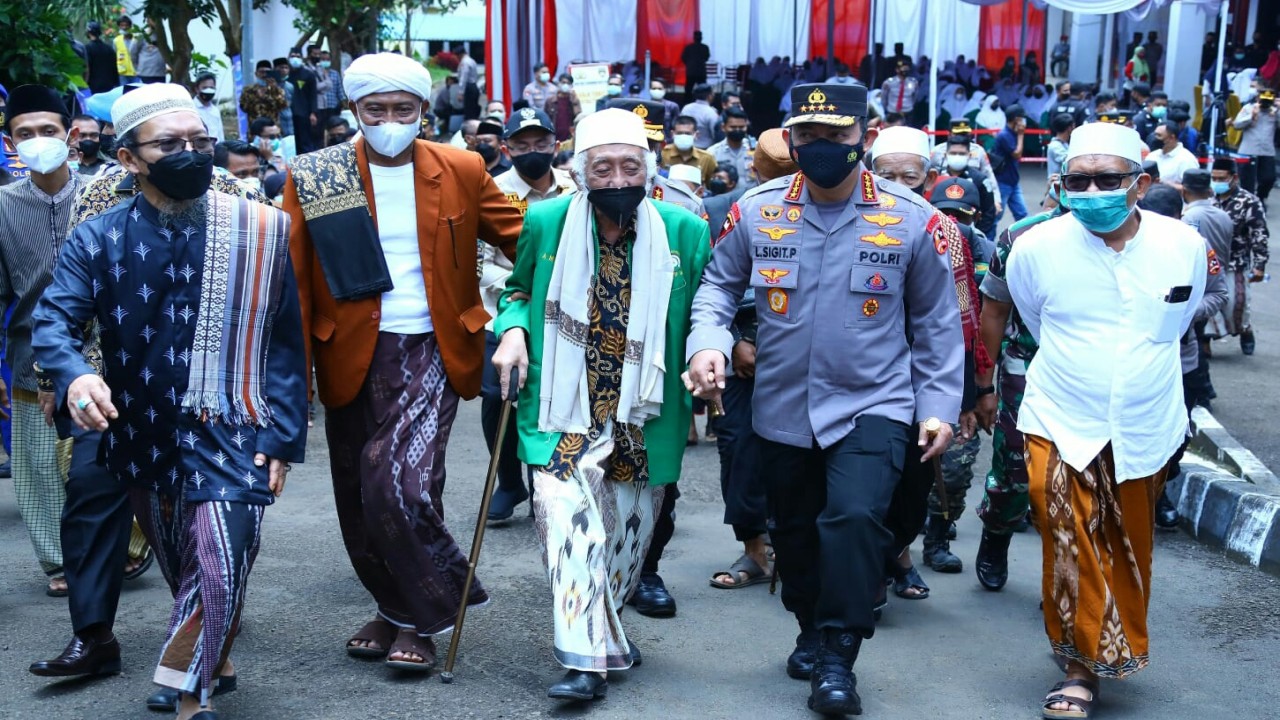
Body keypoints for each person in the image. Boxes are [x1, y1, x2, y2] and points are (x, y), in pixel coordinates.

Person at [32, 81, 307, 720]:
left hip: (236, 424)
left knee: (223, 550)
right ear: (128, 158)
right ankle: (214, 653)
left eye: (199, 141)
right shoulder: (96, 239)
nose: (190, 153)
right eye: (170, 144)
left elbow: (286, 345)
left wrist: (282, 436)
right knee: (186, 557)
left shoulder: (260, 229)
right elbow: (54, 322)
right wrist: (75, 375)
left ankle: (188, 692)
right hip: (142, 429)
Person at [686, 82, 962, 717]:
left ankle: (839, 655)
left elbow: (938, 323)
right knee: (798, 534)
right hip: (780, 406)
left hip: (875, 402)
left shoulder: (914, 218)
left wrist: (940, 406)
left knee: (855, 520)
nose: (820, 147)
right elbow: (718, 288)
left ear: (861, 138)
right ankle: (810, 625)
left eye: (835, 137)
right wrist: (711, 343)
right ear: (790, 141)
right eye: (807, 136)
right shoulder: (756, 211)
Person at [282, 52, 523, 673]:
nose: (390, 119)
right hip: (347, 349)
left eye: (403, 109)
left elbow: (522, 239)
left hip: (433, 345)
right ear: (355, 111)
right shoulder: (317, 174)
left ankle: (430, 611)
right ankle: (394, 609)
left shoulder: (463, 166)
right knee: (358, 495)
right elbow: (295, 277)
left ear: (423, 110)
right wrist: (294, 372)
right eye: (375, 109)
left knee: (399, 484)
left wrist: (526, 307)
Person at [490, 107, 710, 702]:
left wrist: (706, 355)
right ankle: (586, 661)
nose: (617, 179)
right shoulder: (547, 220)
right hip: (562, 410)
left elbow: (701, 315)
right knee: (569, 530)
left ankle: (604, 627)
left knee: (625, 542)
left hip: (645, 413)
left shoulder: (685, 231)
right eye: (603, 168)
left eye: (629, 166)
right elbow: (517, 292)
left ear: (649, 170)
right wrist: (513, 331)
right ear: (581, 172)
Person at [1005, 121, 1206, 719]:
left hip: (1148, 420)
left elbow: (1180, 320)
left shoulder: (1182, 245)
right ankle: (1079, 666)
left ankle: (1095, 644)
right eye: (1077, 181)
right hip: (1060, 412)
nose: (1092, 191)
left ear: (1140, 184)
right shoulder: (1035, 246)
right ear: (1060, 185)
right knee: (1063, 526)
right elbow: (1035, 321)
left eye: (1107, 180)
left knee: (1125, 544)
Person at [867, 127, 989, 582]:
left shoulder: (946, 233)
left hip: (922, 379)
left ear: (929, 177)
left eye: (910, 178)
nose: (898, 189)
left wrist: (967, 398)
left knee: (915, 479)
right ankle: (867, 569)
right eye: (886, 177)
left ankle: (899, 553)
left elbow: (962, 322)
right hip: (863, 375)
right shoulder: (846, 222)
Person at [704, 128, 794, 591]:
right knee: (738, 446)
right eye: (774, 175)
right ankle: (754, 548)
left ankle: (798, 547)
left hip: (804, 349)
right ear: (753, 170)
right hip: (738, 346)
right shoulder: (720, 210)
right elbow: (708, 286)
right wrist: (733, 340)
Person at [0, 85, 81, 598]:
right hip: (29, 357)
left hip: (105, 356)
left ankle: (123, 550)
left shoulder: (105, 192)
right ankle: (58, 562)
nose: (36, 141)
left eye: (47, 131)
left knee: (105, 459)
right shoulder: (2, 205)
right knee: (36, 464)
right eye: (24, 134)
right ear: (9, 143)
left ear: (70, 136)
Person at [972, 176, 1068, 591]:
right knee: (1015, 469)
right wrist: (985, 385)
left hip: (1094, 376)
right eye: (1079, 181)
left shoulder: (1139, 237)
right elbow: (993, 313)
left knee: (1077, 478)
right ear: (1058, 185)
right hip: (1025, 367)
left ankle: (1065, 578)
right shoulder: (1022, 236)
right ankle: (996, 535)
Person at [481, 108, 575, 523]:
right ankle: (508, 482)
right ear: (506, 149)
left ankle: (547, 482)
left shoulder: (577, 188)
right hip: (504, 307)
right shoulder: (492, 190)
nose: (532, 152)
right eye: (521, 145)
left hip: (567, 311)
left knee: (558, 398)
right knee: (495, 397)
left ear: (556, 145)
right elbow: (479, 260)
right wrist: (524, 290)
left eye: (541, 144)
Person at [1209, 156, 1269, 356]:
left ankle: (1245, 329)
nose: (1217, 183)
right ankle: (1205, 342)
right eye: (1214, 178)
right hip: (1209, 261)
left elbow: (1259, 235)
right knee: (1207, 306)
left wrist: (1260, 264)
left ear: (1234, 177)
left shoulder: (1249, 201)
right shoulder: (1208, 198)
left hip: (1237, 261)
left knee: (1237, 304)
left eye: (1221, 178)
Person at [939, 134, 999, 239]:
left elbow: (989, 212)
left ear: (969, 155)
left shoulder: (980, 180)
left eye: (962, 153)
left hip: (973, 235)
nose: (957, 156)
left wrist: (976, 236)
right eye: (953, 153)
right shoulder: (937, 178)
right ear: (945, 154)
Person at [1232, 88, 1276, 201]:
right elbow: (1236, 125)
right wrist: (1251, 116)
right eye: (1263, 100)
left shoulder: (1275, 112)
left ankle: (1261, 198)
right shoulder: (1248, 108)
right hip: (1248, 150)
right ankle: (1249, 203)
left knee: (1269, 178)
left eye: (1268, 101)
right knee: (1247, 182)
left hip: (1267, 151)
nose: (1265, 103)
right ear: (1258, 98)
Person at [992, 104, 1028, 222]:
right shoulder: (1004, 135)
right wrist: (1021, 135)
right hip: (1003, 181)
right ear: (1016, 119)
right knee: (996, 217)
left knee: (1022, 214)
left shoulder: (1013, 134)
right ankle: (988, 240)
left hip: (1013, 181)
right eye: (1021, 118)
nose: (1023, 121)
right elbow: (1017, 154)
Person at [707, 107, 756, 189]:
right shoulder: (713, 152)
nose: (737, 130)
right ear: (723, 127)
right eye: (733, 127)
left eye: (741, 127)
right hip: (724, 199)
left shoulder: (757, 150)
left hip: (751, 199)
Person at [662, 115, 717, 184]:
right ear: (673, 134)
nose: (683, 136)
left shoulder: (707, 158)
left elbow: (710, 185)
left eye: (688, 133)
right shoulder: (662, 153)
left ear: (696, 135)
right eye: (680, 133)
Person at [285, 50, 319, 153]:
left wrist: (313, 112)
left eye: (298, 56)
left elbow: (313, 95)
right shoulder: (286, 74)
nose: (295, 58)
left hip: (303, 112)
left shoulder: (308, 74)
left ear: (302, 58)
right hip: (287, 113)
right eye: (293, 56)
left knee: (304, 140)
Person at [1146, 123, 1199, 189]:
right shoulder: (1152, 155)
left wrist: (1164, 184)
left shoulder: (1187, 160)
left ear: (1171, 138)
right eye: (1155, 134)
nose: (1154, 138)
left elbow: (1192, 190)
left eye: (1159, 135)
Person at [239, 61, 288, 128]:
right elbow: (243, 108)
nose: (264, 75)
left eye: (267, 72)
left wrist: (274, 89)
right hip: (254, 128)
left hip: (272, 128)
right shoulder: (248, 90)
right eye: (261, 72)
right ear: (256, 74)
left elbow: (282, 106)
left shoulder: (278, 90)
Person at [680, 84, 720, 150]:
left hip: (687, 146)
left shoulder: (686, 108)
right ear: (709, 96)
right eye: (713, 93)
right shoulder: (711, 112)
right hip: (706, 149)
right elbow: (715, 134)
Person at [84, 23, 119, 95]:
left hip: (94, 85)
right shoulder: (108, 48)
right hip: (109, 84)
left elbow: (87, 68)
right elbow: (114, 67)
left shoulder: (87, 48)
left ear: (89, 33)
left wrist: (84, 83)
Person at [546, 73, 581, 142]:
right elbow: (546, 120)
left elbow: (578, 118)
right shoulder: (550, 101)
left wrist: (575, 102)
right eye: (563, 82)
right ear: (559, 84)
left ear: (571, 86)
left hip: (569, 138)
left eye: (568, 83)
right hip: (554, 137)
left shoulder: (574, 100)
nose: (565, 85)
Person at [190, 72, 223, 142]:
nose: (208, 91)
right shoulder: (191, 108)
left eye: (211, 88)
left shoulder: (215, 110)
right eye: (205, 88)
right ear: (197, 89)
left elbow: (220, 134)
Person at [455, 45, 481, 120]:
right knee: (473, 109)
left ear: (460, 54)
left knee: (469, 111)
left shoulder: (465, 62)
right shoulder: (471, 60)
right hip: (474, 86)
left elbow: (463, 78)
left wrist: (460, 92)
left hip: (469, 88)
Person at [681, 31, 711, 95]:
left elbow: (683, 58)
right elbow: (706, 57)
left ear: (693, 38)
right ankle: (702, 100)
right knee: (703, 90)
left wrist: (689, 64)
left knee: (688, 89)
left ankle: (687, 102)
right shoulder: (705, 47)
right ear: (701, 38)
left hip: (691, 71)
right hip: (701, 71)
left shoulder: (688, 47)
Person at [1044, 112, 1073, 177]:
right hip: (1057, 184)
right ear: (1069, 128)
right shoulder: (1055, 146)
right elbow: (1069, 162)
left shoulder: (1064, 143)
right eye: (1073, 126)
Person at [113, 16, 137, 84]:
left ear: (130, 26)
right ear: (119, 27)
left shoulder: (136, 39)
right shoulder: (116, 41)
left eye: (126, 25)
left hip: (136, 72)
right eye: (122, 25)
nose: (124, 27)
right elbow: (114, 57)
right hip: (123, 74)